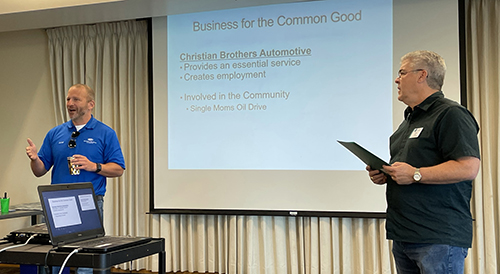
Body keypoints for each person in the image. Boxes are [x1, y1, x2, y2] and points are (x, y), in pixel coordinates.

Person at [367, 50, 480, 274]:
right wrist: (385, 174)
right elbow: (409, 168)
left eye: (402, 72)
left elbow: (469, 167)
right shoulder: (409, 120)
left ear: (422, 75)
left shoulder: (451, 114)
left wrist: (415, 174)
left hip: (437, 237)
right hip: (404, 235)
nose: (396, 79)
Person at [26, 84, 125, 274]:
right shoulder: (55, 133)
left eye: (76, 99)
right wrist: (35, 159)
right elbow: (40, 171)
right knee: (55, 255)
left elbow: (118, 169)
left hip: (89, 202)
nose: (70, 103)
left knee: (85, 260)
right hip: (58, 203)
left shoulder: (105, 133)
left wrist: (94, 166)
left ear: (91, 104)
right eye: (68, 99)